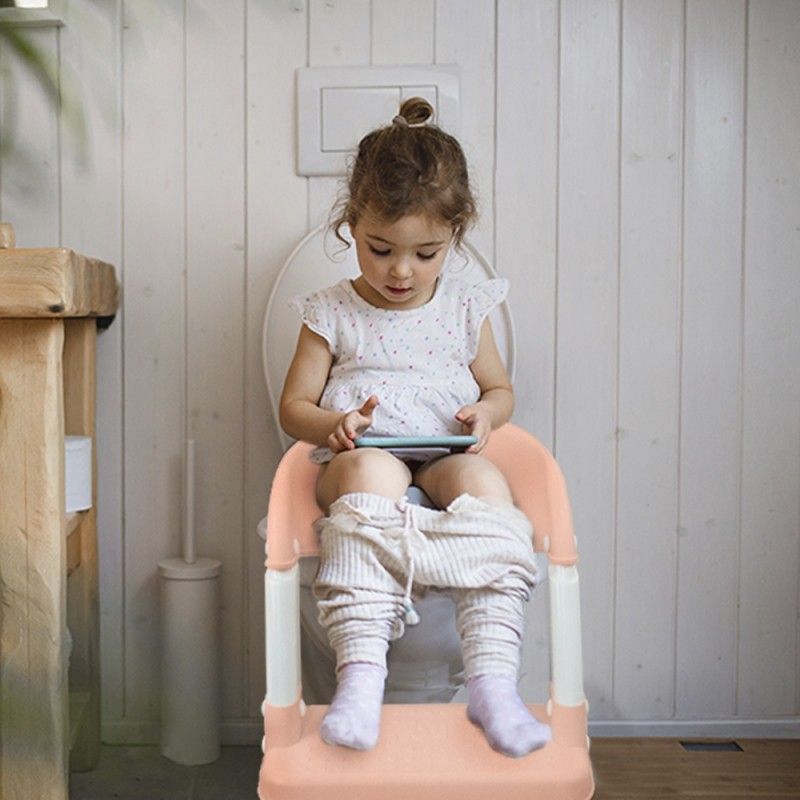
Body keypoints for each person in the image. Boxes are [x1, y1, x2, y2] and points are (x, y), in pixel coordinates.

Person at [279, 97, 550, 758]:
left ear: (455, 237)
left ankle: (491, 683)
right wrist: (336, 424)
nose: (401, 270)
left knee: (487, 484)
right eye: (381, 249)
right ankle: (361, 679)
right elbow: (292, 408)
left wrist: (486, 414)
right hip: (364, 453)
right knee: (373, 474)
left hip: (443, 452)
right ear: (352, 226)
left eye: (426, 253)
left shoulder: (464, 307)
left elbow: (500, 388)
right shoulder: (331, 311)